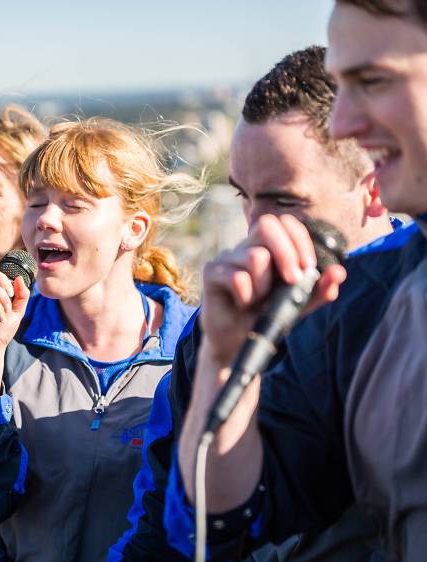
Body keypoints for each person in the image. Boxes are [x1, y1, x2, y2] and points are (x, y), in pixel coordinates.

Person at [109, 45, 397, 561]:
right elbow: (166, 510)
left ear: (371, 190)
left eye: (285, 201)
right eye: (245, 196)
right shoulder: (213, 329)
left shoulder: (404, 309)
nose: (257, 228)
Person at [0, 117, 201, 561]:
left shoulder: (191, 348)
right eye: (36, 201)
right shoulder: (5, 337)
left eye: (74, 204)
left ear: (134, 228)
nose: (46, 218)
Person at [170, 2, 427, 560]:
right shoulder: (373, 302)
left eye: (375, 81)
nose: (348, 124)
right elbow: (216, 520)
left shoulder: (380, 296)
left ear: (371, 191)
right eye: (245, 197)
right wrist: (223, 360)